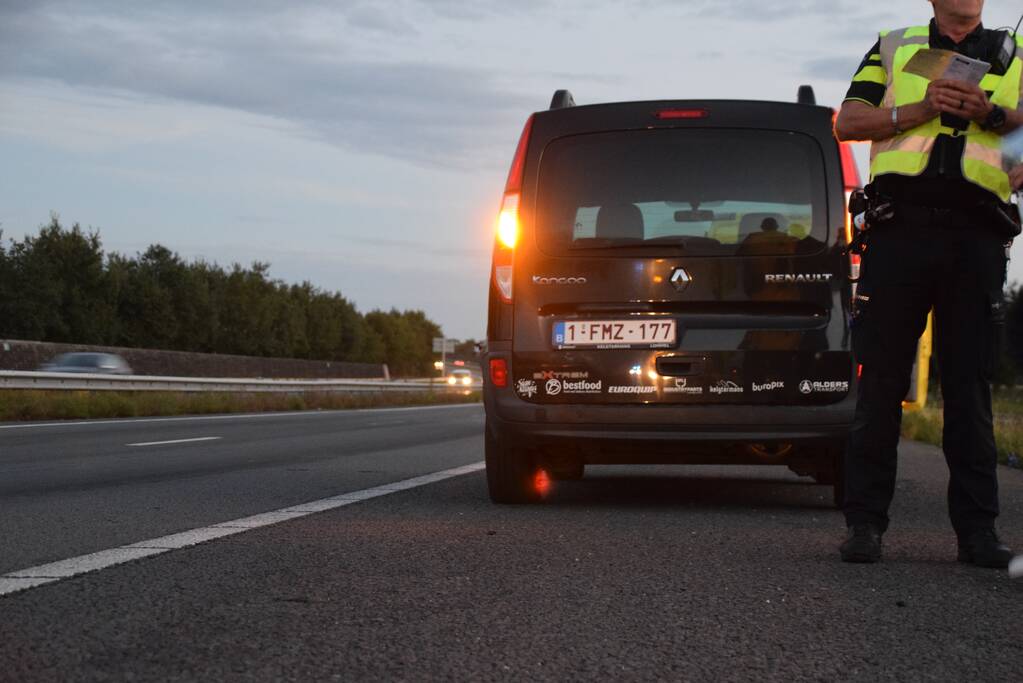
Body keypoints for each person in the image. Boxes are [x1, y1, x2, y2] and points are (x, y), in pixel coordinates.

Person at [834, 0, 1023, 566]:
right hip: (899, 233)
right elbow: (846, 121)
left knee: (970, 389)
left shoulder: (1016, 55)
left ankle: (978, 535)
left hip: (978, 237)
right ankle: (864, 525)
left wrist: (993, 115)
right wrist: (917, 108)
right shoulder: (893, 44)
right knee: (881, 385)